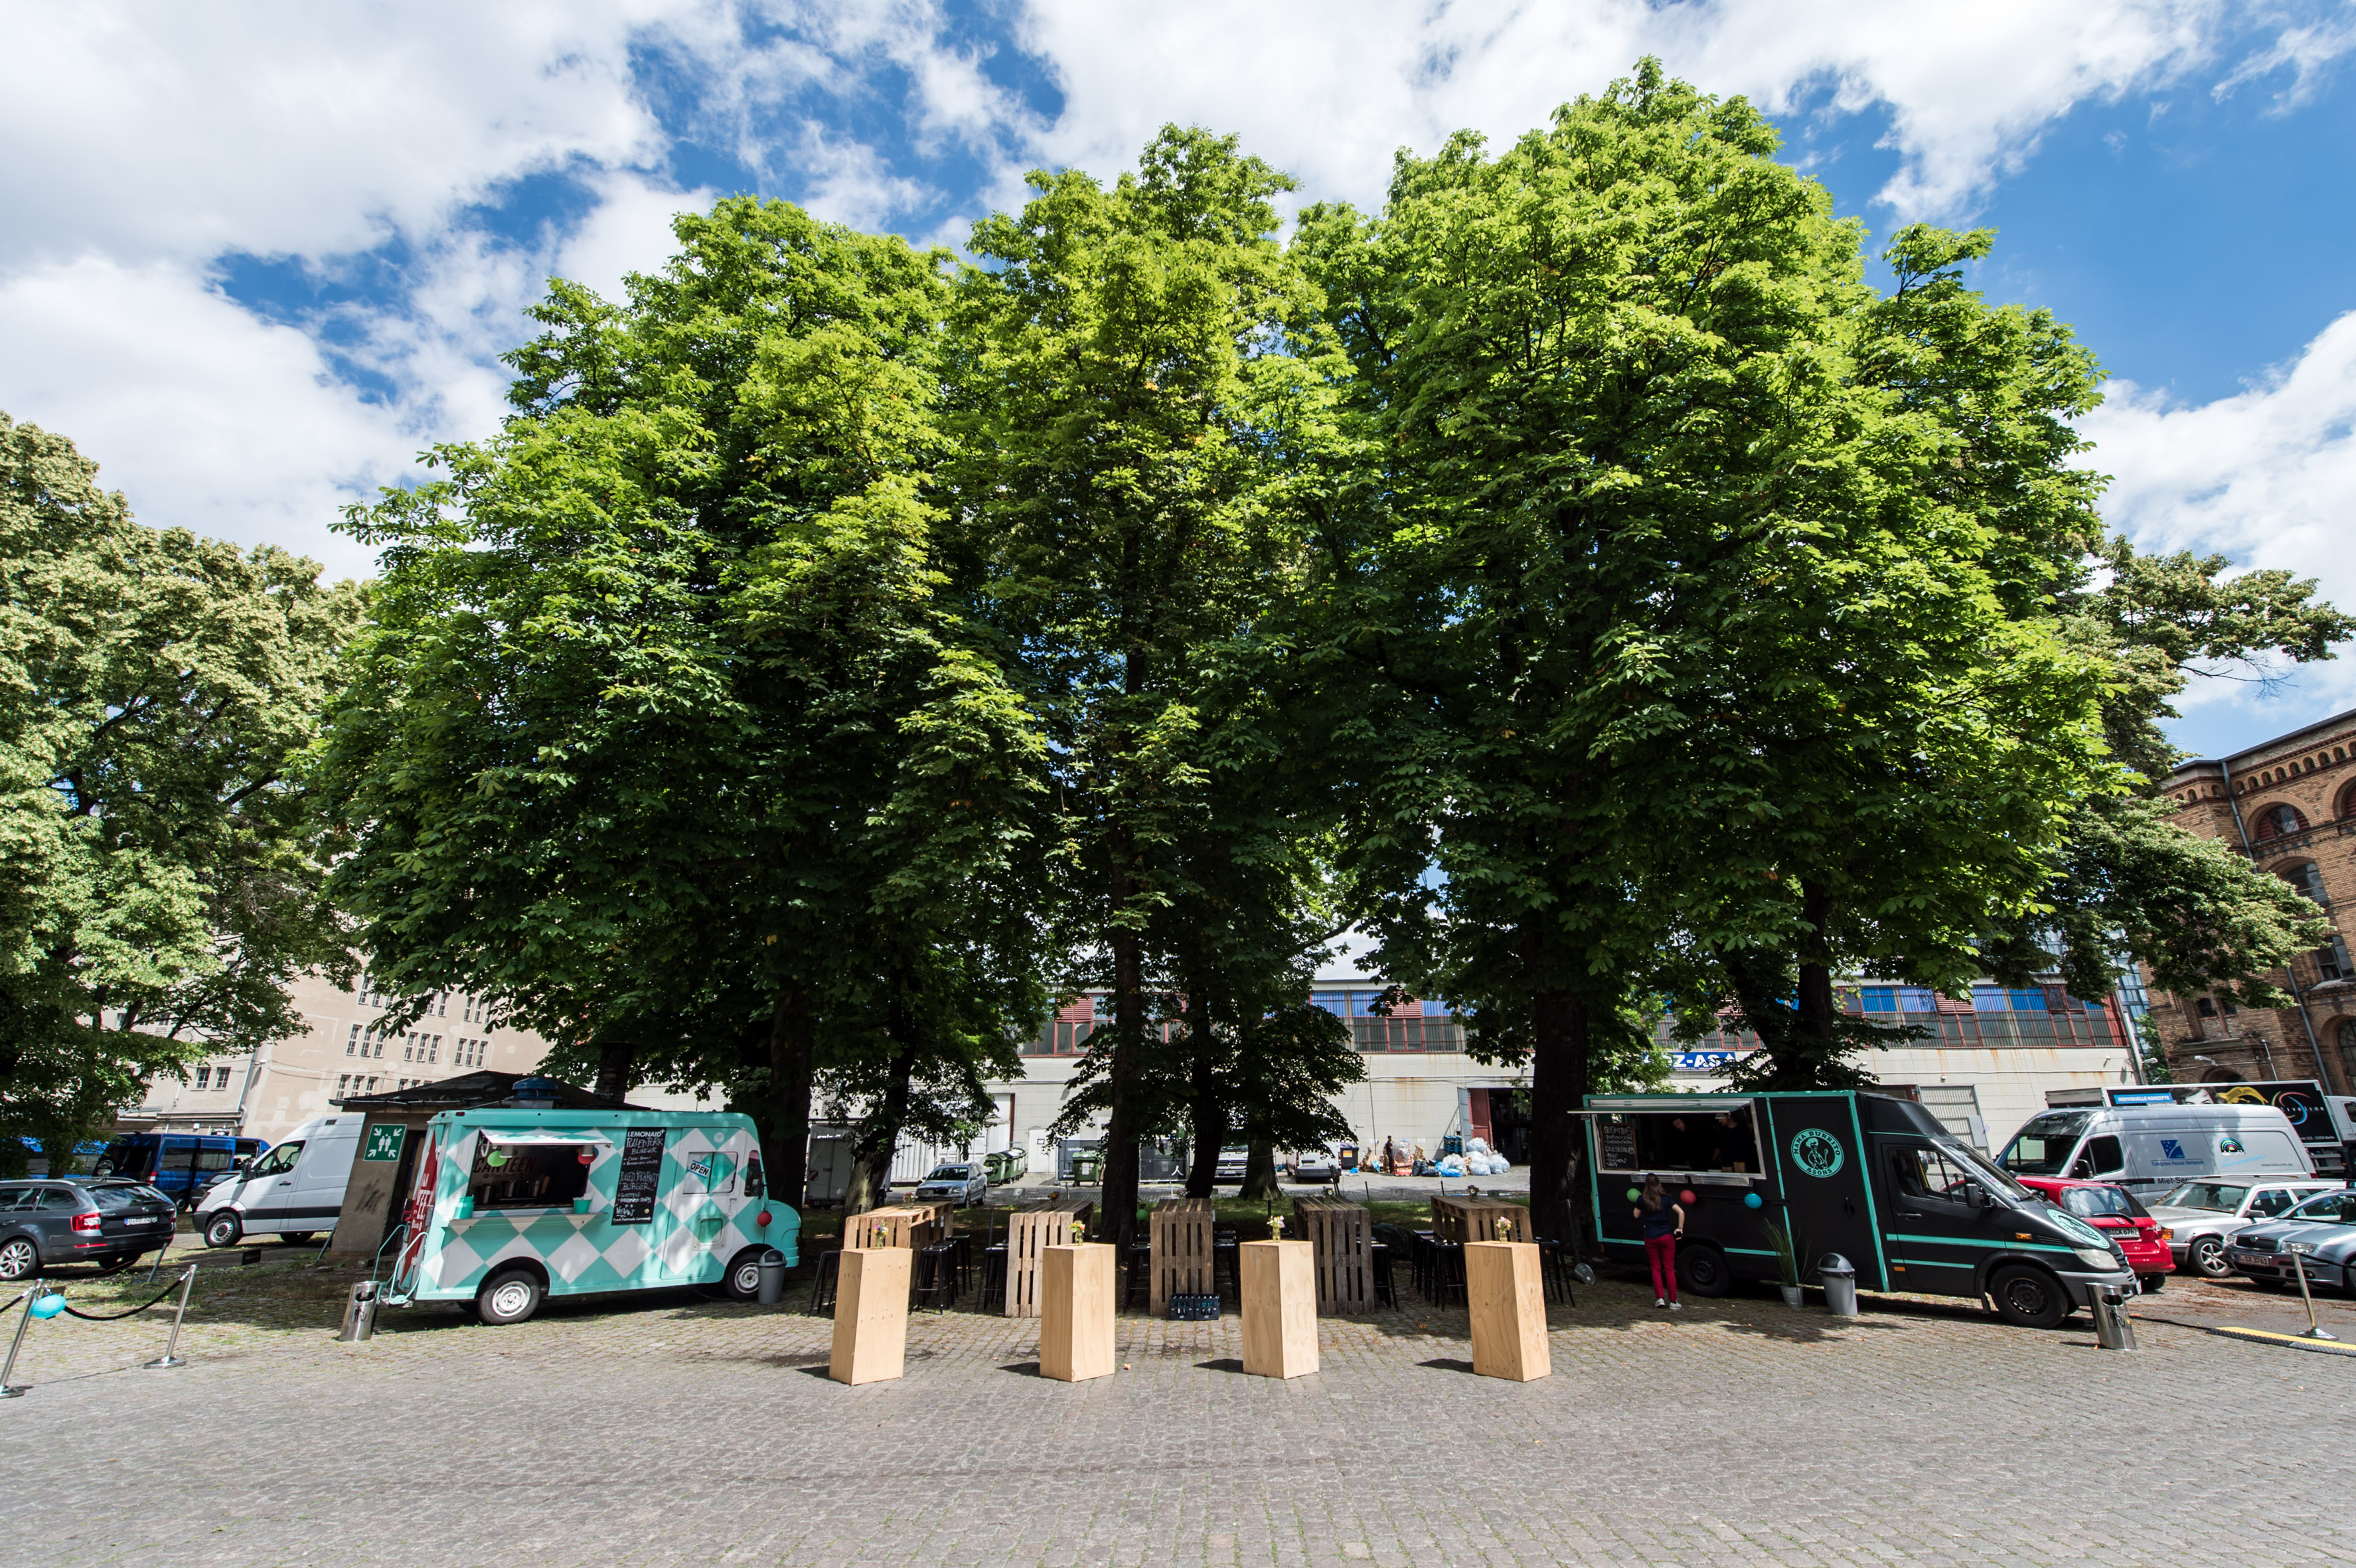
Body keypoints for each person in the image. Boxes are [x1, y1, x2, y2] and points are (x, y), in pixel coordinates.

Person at [1634, 1174, 1685, 1310]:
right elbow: (1681, 1213)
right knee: (1669, 1268)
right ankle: (1673, 1301)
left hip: (1650, 1237)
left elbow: (1636, 1215)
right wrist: (1679, 1229)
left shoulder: (1642, 1199)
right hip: (1666, 1236)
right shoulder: (1667, 1199)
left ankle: (1660, 1299)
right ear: (1659, 1184)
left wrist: (1638, 1204)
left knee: (1655, 1268)